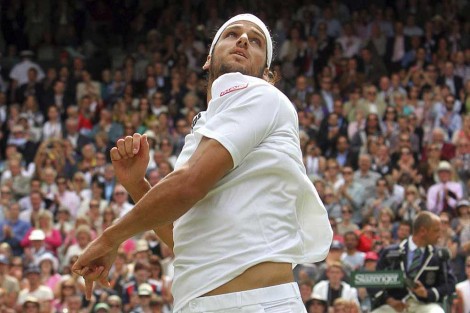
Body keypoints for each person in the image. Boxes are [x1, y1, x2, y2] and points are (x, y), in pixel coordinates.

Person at [72, 13, 332, 313]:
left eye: (256, 40)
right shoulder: (205, 130)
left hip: (257, 304)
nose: (243, 39)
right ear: (208, 59)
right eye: (232, 34)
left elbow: (188, 184)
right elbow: (186, 239)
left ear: (266, 74)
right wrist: (136, 184)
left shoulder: (263, 96)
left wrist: (109, 238)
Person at [371, 211, 456, 313]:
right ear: (423, 231)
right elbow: (374, 281)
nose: (440, 235)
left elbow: (450, 284)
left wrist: (427, 293)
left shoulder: (439, 255)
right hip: (394, 305)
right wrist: (389, 300)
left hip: (424, 305)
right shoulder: (390, 252)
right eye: (436, 231)